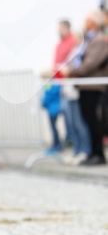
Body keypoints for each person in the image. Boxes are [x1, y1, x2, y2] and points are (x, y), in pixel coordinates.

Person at [62, 10, 108, 165]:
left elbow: (90, 64)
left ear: (94, 23)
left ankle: (98, 154)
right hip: (85, 86)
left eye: (88, 20)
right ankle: (92, 153)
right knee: (88, 121)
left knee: (94, 121)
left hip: (93, 87)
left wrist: (72, 71)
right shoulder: (90, 41)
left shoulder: (99, 40)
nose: (85, 23)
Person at [53, 19, 76, 147]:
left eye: (60, 28)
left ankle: (72, 139)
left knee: (70, 113)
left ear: (66, 28)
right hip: (58, 82)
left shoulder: (72, 42)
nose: (58, 31)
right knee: (63, 112)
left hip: (68, 82)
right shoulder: (60, 43)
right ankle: (67, 138)